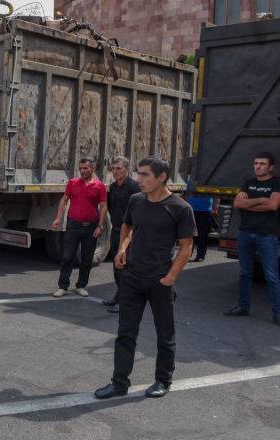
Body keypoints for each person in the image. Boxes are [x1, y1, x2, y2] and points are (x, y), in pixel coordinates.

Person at [94, 156, 196, 400]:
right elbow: (128, 227)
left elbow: (186, 247)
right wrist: (122, 249)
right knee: (125, 333)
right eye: (138, 174)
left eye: (145, 175)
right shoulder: (136, 200)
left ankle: (163, 380)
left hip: (159, 281)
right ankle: (119, 383)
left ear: (161, 177)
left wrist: (170, 278)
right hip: (132, 278)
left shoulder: (180, 208)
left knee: (165, 335)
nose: (139, 179)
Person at [224, 152, 280, 325]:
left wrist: (251, 204)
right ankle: (243, 306)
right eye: (256, 163)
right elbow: (238, 204)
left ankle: (277, 313)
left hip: (267, 234)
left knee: (271, 276)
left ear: (271, 167)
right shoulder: (248, 182)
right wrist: (261, 200)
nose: (258, 166)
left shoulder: (276, 183)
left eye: (262, 164)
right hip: (245, 233)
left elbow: (273, 205)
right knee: (245, 272)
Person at [51, 157, 108, 298]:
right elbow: (64, 200)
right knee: (67, 257)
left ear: (92, 169)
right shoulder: (72, 183)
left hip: (91, 227)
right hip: (73, 225)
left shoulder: (99, 186)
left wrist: (100, 226)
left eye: (85, 168)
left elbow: (103, 206)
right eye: (81, 168)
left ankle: (81, 285)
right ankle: (62, 286)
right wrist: (58, 218)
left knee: (87, 259)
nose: (82, 171)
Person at [102, 156, 140, 313]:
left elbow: (138, 212)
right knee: (116, 267)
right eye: (113, 168)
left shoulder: (134, 187)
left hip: (130, 232)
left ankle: (124, 301)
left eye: (118, 168)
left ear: (126, 169)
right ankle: (119, 296)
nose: (115, 171)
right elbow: (110, 208)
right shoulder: (112, 187)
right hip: (116, 230)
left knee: (124, 268)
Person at [185, 187, 219, 262]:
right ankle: (186, 255)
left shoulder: (211, 181)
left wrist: (215, 207)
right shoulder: (192, 181)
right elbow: (186, 194)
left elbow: (216, 195)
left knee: (203, 235)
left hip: (205, 211)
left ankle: (200, 255)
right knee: (189, 235)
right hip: (191, 210)